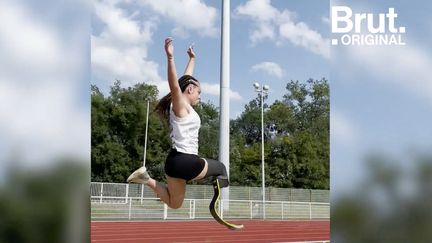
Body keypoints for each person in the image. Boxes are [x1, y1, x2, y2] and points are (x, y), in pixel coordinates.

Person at [127, 38, 229, 209]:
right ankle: (217, 201)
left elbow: (184, 80)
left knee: (175, 203)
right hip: (187, 161)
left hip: (173, 162)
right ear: (190, 90)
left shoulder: (182, 105)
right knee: (221, 168)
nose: (200, 96)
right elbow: (175, 85)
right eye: (198, 91)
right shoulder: (181, 106)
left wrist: (192, 59)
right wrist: (170, 58)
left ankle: (146, 179)